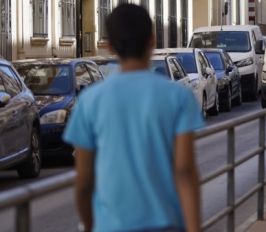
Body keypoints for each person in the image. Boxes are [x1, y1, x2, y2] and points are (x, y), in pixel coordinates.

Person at [63, 4, 204, 232]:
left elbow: (84, 182)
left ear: (110, 47)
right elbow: (185, 170)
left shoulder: (90, 101)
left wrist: (89, 224)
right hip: (166, 224)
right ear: (152, 41)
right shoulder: (178, 97)